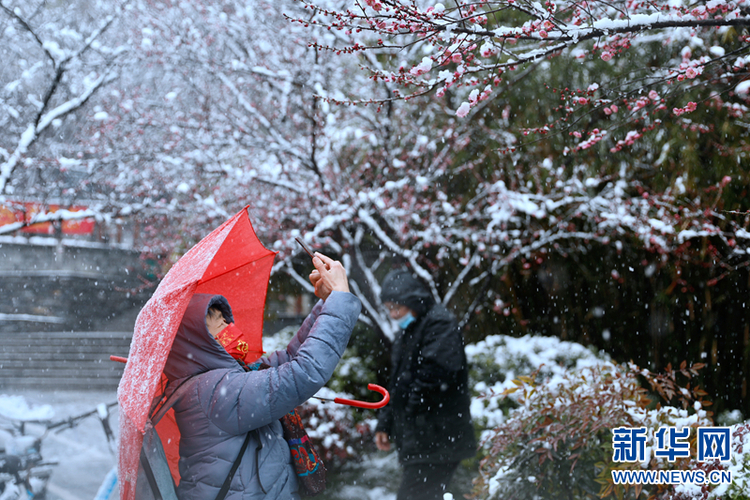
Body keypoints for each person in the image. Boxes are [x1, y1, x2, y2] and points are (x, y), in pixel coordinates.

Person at [162, 252, 361, 500]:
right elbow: (302, 373)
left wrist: (327, 303)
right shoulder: (212, 390)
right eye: (221, 327)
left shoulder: (232, 377)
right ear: (199, 345)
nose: (231, 329)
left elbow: (289, 359)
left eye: (227, 320)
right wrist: (340, 301)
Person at [375, 269, 476, 500]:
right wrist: (386, 423)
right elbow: (398, 383)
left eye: (396, 307)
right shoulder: (408, 331)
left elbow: (434, 377)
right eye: (389, 308)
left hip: (437, 438)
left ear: (412, 302)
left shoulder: (439, 324)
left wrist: (407, 416)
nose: (393, 314)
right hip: (423, 440)